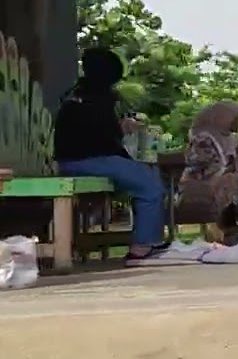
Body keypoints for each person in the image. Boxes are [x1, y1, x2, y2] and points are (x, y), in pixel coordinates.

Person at [53, 47, 167, 260]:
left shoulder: (75, 94)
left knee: (142, 179)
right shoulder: (99, 98)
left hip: (69, 160)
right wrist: (123, 128)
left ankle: (145, 240)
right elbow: (106, 140)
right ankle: (143, 246)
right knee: (151, 186)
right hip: (92, 160)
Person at [177, 100, 238, 227]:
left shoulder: (230, 138)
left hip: (223, 184)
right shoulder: (203, 138)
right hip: (201, 186)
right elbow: (200, 166)